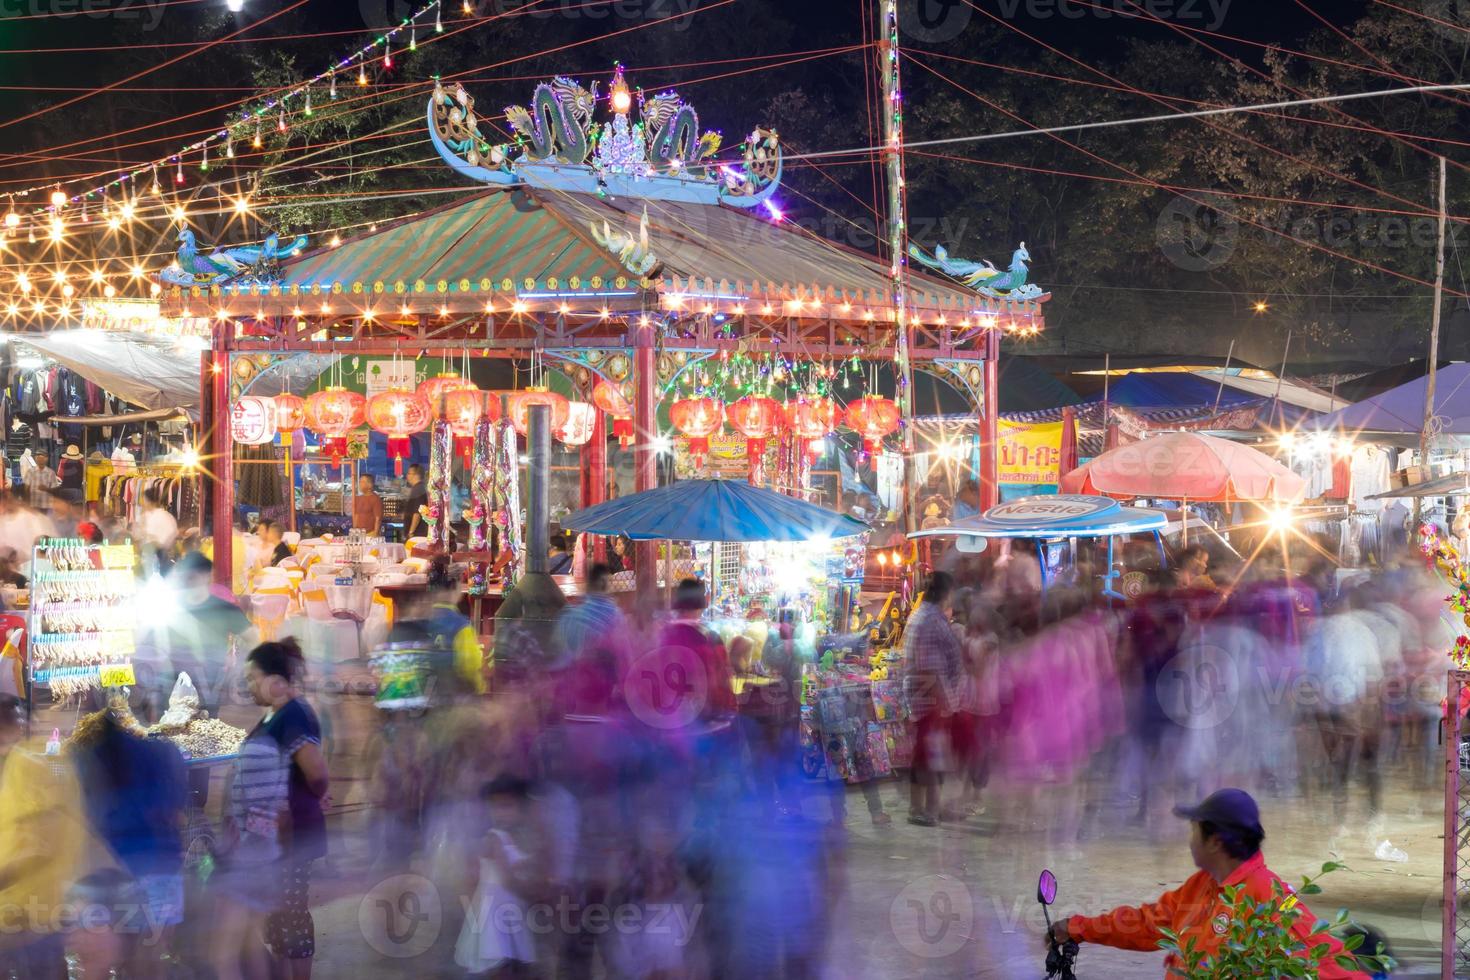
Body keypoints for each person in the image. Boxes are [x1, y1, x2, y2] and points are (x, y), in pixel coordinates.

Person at [1049, 789, 1372, 979]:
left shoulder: (1267, 899)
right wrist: (1078, 927)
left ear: (1215, 842)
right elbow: (1149, 924)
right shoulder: (1202, 885)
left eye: (1194, 831)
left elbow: (1332, 965)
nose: (1189, 840)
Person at [243, 640, 329, 980]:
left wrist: (313, 796)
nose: (248, 685)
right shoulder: (276, 713)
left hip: (292, 833)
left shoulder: (293, 714)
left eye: (253, 677)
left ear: (276, 679)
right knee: (278, 911)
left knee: (291, 910)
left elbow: (317, 772)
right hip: (274, 834)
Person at [901, 570, 962, 827]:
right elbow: (929, 667)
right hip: (931, 699)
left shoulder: (921, 615)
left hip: (925, 697)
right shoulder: (931, 620)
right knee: (931, 756)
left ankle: (922, 808)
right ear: (946, 593)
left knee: (924, 754)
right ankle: (928, 810)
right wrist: (943, 700)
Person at [555, 562, 629, 682]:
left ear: (588, 585)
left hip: (574, 681)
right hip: (603, 682)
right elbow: (623, 654)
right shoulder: (616, 615)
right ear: (606, 585)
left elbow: (560, 657)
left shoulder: (569, 616)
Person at [135, 488, 178, 570]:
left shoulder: (164, 516)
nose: (142, 503)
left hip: (160, 555)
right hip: (147, 555)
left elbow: (172, 533)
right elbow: (140, 535)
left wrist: (160, 544)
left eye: (144, 500)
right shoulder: (144, 516)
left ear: (149, 501)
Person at [403, 463, 428, 538]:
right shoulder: (418, 488)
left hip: (417, 533)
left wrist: (411, 532)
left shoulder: (418, 490)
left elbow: (417, 513)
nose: (407, 476)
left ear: (416, 475)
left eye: (409, 473)